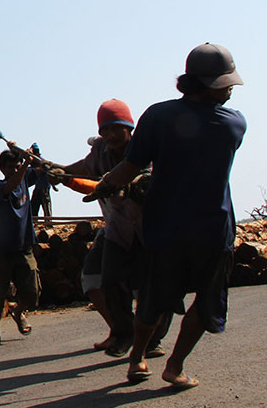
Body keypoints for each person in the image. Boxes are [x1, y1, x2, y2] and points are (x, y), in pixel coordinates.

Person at [88, 44, 246, 389]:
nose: (230, 88)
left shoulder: (158, 116)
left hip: (168, 227)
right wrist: (106, 182)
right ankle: (173, 365)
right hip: (212, 227)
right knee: (204, 302)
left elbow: (128, 167)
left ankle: (139, 357)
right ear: (204, 84)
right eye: (224, 83)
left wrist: (103, 185)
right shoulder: (234, 122)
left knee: (155, 299)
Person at [56, 99, 170, 357]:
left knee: (155, 288)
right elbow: (84, 168)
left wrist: (127, 185)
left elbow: (148, 178)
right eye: (104, 130)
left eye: (115, 128)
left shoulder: (144, 148)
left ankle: (152, 339)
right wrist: (61, 172)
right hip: (118, 229)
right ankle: (123, 333)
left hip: (151, 229)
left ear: (129, 128)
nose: (109, 135)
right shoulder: (100, 152)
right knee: (110, 280)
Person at [0, 146, 41, 346]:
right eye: (10, 168)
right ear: (2, 169)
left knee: (33, 293)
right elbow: (13, 183)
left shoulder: (25, 178)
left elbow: (42, 169)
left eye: (17, 167)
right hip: (1, 250)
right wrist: (25, 163)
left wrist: (34, 155)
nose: (15, 171)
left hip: (23, 247)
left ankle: (19, 311)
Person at [29, 142, 54, 217]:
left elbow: (49, 171)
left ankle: (48, 222)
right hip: (38, 186)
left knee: (46, 204)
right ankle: (34, 221)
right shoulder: (34, 162)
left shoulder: (41, 162)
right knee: (34, 204)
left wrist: (53, 185)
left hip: (44, 186)